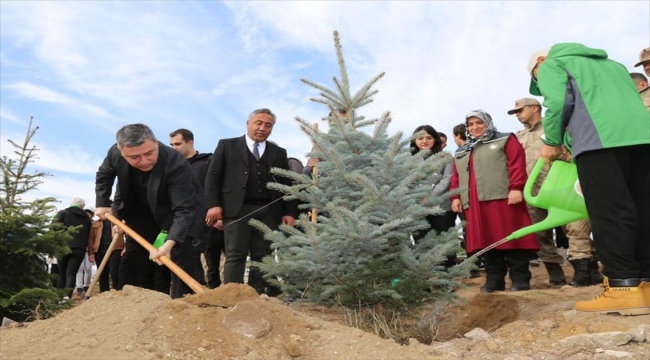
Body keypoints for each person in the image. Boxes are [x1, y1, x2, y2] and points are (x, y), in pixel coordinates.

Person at [529, 43, 650, 315]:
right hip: (643, 139)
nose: (541, 81)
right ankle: (646, 285)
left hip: (599, 142)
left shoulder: (552, 64)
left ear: (540, 61)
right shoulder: (614, 66)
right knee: (642, 209)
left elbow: (558, 102)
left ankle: (623, 288)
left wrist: (551, 140)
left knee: (609, 211)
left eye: (537, 78)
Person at [95, 123, 205, 299]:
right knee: (137, 259)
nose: (144, 161)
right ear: (121, 151)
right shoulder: (114, 154)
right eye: (134, 157)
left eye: (149, 153)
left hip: (178, 212)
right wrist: (102, 203)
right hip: (140, 212)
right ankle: (142, 307)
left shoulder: (175, 162)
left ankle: (185, 308)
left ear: (155, 142)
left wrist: (170, 242)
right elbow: (104, 175)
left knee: (181, 257)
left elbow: (184, 209)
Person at [205, 108, 298, 296]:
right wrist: (214, 205)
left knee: (262, 256)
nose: (262, 128)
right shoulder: (226, 145)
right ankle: (232, 296)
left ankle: (254, 296)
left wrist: (289, 211)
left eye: (268, 125)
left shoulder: (279, 152)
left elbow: (286, 183)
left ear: (272, 129)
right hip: (237, 210)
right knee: (235, 255)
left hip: (269, 211)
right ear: (248, 124)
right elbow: (213, 177)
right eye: (259, 123)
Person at [450, 110, 539, 293]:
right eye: (470, 124)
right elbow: (456, 176)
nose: (474, 127)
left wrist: (516, 187)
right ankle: (494, 280)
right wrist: (456, 196)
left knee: (514, 238)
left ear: (487, 123)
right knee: (486, 241)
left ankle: (520, 279)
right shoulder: (462, 151)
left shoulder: (505, 139)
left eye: (479, 123)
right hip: (475, 204)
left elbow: (516, 164)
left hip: (505, 199)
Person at [508, 98, 567, 285]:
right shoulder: (518, 138)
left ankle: (588, 268)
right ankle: (555, 273)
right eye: (515, 112)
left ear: (535, 108)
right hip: (533, 192)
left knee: (573, 228)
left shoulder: (553, 130)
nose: (517, 114)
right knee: (541, 233)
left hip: (558, 187)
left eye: (520, 110)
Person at [169, 128, 225, 289]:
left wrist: (220, 216)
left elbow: (219, 188)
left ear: (190, 142)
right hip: (187, 222)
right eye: (171, 145)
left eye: (178, 144)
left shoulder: (208, 161)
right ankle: (201, 292)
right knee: (199, 260)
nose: (174, 148)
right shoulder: (173, 167)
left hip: (212, 219)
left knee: (226, 260)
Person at [410, 125, 456, 268]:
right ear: (414, 140)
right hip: (417, 207)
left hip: (442, 206)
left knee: (444, 242)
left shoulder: (446, 157)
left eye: (428, 138)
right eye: (421, 138)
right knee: (421, 242)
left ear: (435, 140)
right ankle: (424, 279)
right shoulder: (408, 160)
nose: (424, 141)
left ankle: (446, 277)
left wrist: (431, 196)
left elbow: (447, 178)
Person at [53, 197, 92, 299]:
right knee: (72, 273)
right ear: (82, 206)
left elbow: (53, 227)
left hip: (63, 247)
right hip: (79, 248)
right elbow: (89, 235)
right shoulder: (87, 218)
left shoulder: (63, 213)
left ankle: (58, 298)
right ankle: (67, 297)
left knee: (62, 272)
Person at [89, 203, 124, 292]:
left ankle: (117, 293)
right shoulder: (95, 222)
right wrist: (91, 253)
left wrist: (125, 247)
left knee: (114, 273)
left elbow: (127, 234)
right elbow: (91, 238)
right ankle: (104, 294)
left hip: (115, 249)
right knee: (102, 274)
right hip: (100, 250)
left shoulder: (118, 221)